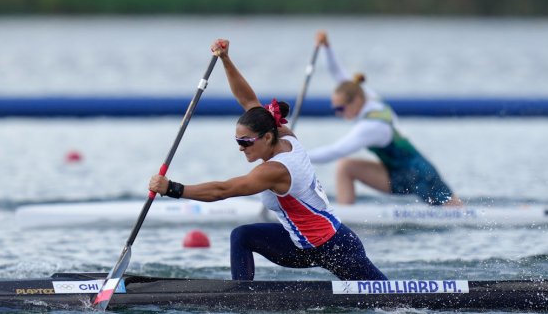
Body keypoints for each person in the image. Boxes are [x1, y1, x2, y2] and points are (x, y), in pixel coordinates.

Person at [149, 39, 387, 281]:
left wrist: (172, 188)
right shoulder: (282, 134)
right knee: (242, 236)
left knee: (394, 301)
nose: (241, 148)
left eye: (245, 142)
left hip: (336, 248)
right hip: (301, 245)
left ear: (267, 137)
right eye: (237, 141)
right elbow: (248, 101)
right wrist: (226, 60)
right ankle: (242, 298)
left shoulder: (275, 170)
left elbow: (223, 190)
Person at [307, 31, 462, 206]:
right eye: (335, 108)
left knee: (457, 212)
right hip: (396, 172)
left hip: (419, 175)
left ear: (356, 101)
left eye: (341, 108)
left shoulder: (371, 126)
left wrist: (296, 155)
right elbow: (338, 74)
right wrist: (327, 48)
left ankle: (341, 221)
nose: (338, 113)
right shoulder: (365, 96)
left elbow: (334, 151)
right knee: (346, 167)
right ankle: (343, 219)